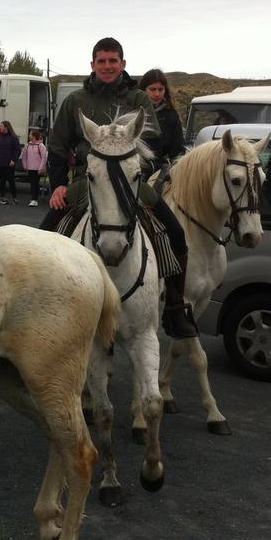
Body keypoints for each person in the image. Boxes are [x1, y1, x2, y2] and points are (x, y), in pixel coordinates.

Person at [41, 37, 198, 339]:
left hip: (130, 180)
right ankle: (45, 303)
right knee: (45, 234)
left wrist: (135, 172)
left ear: (123, 64)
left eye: (113, 60)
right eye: (101, 61)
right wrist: (58, 185)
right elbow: (58, 146)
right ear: (92, 65)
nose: (107, 66)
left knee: (175, 233)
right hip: (88, 180)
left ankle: (175, 307)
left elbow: (151, 142)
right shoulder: (75, 101)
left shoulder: (138, 99)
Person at [0, 120, 21, 205]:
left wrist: (14, 160)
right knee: (2, 180)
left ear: (6, 127)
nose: (0, 127)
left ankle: (14, 197)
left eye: (1, 126)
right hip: (0, 162)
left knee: (11, 180)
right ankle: (2, 197)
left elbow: (17, 150)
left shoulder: (13, 138)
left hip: (9, 163)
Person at [20, 128, 48, 207]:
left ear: (34, 136)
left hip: (37, 168)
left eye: (30, 134)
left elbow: (44, 158)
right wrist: (25, 165)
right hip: (30, 167)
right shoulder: (28, 145)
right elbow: (24, 156)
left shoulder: (41, 146)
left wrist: (41, 168)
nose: (29, 135)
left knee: (35, 183)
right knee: (32, 183)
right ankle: (33, 198)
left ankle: (35, 199)